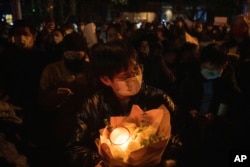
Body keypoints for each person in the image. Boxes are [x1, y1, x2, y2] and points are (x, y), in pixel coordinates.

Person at [65, 39, 185, 167]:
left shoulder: (158, 98)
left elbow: (181, 133)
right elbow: (74, 147)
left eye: (136, 70)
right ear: (106, 79)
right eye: (125, 76)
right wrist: (97, 162)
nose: (134, 77)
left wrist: (169, 159)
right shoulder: (93, 105)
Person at [178, 43, 241, 166]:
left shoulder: (227, 83)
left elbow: (234, 109)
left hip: (217, 134)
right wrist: (190, 110)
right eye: (206, 69)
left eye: (214, 70)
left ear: (223, 66)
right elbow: (183, 99)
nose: (209, 73)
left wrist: (216, 119)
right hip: (192, 128)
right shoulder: (193, 77)